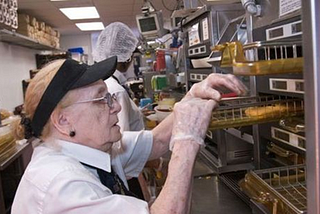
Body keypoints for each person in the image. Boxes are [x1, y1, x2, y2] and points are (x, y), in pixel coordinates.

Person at [11, 56, 247, 214]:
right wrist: (187, 142)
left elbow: (158, 141)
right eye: (102, 99)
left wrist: (194, 96)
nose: (116, 107)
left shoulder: (91, 149)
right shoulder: (62, 187)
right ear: (63, 121)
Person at [92, 22, 147, 199]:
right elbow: (121, 142)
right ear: (127, 57)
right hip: (128, 172)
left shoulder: (106, 83)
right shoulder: (116, 90)